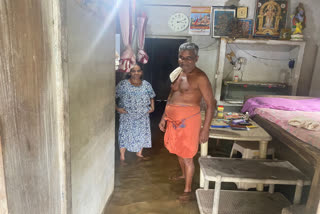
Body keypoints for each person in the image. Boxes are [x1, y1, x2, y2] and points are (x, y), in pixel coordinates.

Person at [159, 42, 216, 201]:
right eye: (181, 58)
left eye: (189, 58)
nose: (184, 62)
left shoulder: (201, 77)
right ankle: (184, 175)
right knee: (178, 150)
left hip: (189, 120)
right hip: (173, 119)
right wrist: (164, 116)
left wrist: (205, 129)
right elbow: (171, 96)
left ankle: (187, 190)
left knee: (188, 155)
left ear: (196, 58)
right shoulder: (179, 73)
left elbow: (211, 104)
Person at [116, 63, 156, 165]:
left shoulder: (146, 84)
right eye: (133, 71)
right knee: (124, 134)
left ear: (141, 72)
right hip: (127, 114)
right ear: (130, 72)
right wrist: (117, 108)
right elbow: (112, 96)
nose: (136, 73)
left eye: (138, 71)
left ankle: (139, 153)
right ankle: (122, 157)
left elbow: (151, 96)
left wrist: (152, 107)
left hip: (142, 114)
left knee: (141, 133)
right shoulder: (123, 84)